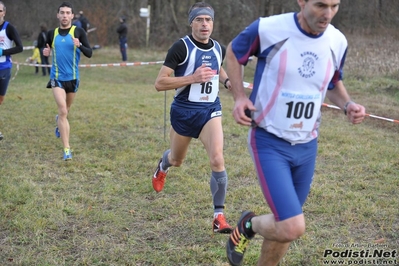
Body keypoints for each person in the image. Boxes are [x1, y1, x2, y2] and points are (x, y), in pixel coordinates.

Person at [224, 0, 367, 265]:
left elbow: (333, 82)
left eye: (335, 6)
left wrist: (348, 104)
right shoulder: (268, 29)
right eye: (321, 5)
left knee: (284, 229)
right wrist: (239, 97)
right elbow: (233, 51)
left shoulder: (338, 41)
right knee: (292, 225)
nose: (327, 14)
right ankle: (249, 225)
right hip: (269, 139)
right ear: (302, 1)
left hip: (307, 144)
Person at [152, 2, 234, 234]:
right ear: (191, 23)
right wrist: (192, 78)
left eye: (208, 20)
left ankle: (219, 216)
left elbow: (218, 67)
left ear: (213, 23)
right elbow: (160, 83)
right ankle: (162, 166)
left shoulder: (219, 47)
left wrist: (226, 80)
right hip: (184, 111)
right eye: (199, 20)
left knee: (218, 159)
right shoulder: (181, 48)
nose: (204, 24)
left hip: (210, 110)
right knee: (177, 160)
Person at [43, 1, 92, 160]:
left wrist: (79, 45)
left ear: (72, 15)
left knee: (66, 110)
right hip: (56, 77)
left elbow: (89, 53)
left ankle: (59, 121)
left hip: (73, 78)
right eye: (62, 13)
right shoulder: (52, 33)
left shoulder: (78, 31)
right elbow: (47, 48)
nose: (64, 16)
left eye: (67, 13)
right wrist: (46, 52)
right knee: (63, 110)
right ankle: (67, 150)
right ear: (58, 15)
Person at [0, 1, 23, 141]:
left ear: (4, 12)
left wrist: (3, 51)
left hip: (4, 69)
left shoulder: (9, 28)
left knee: (0, 99)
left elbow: (20, 47)